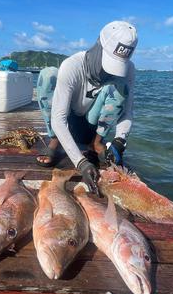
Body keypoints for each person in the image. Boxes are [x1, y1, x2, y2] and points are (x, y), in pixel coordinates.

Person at [36, 20, 137, 195]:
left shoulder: (129, 70)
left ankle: (95, 143)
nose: (111, 73)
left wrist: (120, 140)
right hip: (66, 119)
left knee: (122, 88)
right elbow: (59, 119)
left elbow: (127, 112)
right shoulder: (72, 66)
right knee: (48, 75)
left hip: (91, 126)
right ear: (98, 44)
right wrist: (80, 162)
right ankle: (54, 141)